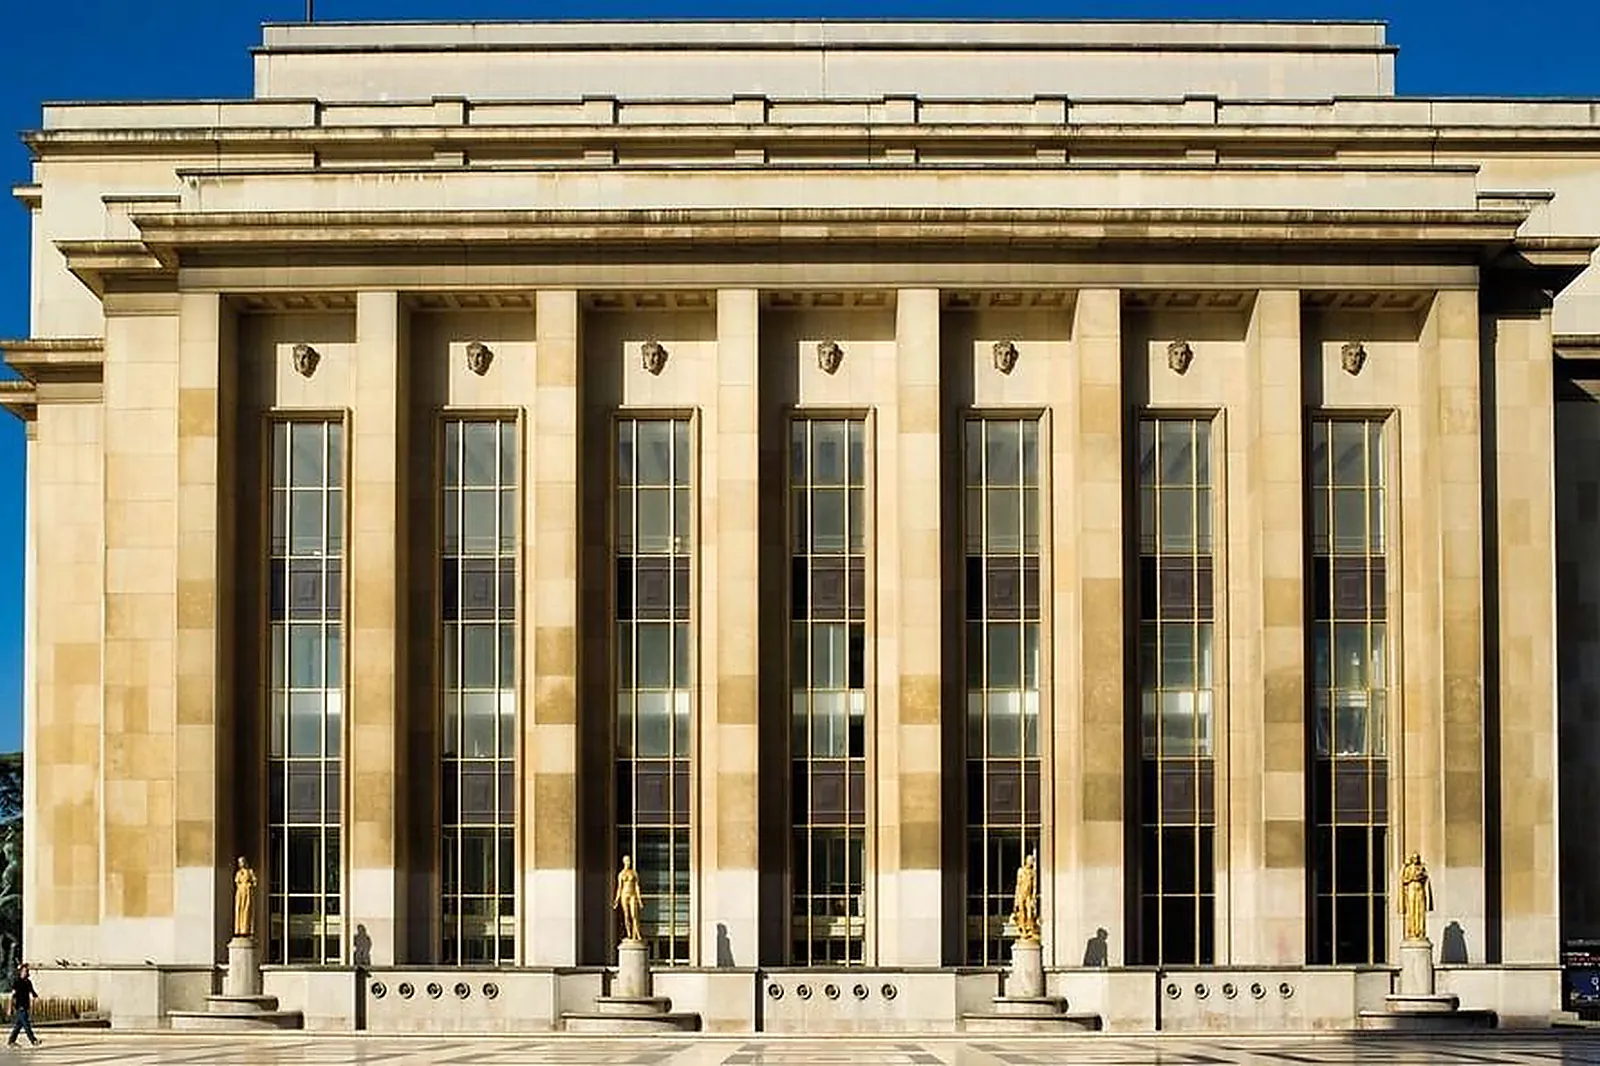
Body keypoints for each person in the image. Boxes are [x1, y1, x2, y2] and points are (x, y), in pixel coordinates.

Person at [7, 963, 39, 1047]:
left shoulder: (28, 982)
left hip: (26, 1005)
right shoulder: (17, 982)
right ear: (21, 972)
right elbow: (13, 996)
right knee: (26, 1024)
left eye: (27, 971)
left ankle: (11, 1041)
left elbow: (32, 991)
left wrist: (35, 996)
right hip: (20, 1006)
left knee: (18, 1025)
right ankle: (33, 1040)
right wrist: (10, 1008)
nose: (27, 973)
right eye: (25, 971)